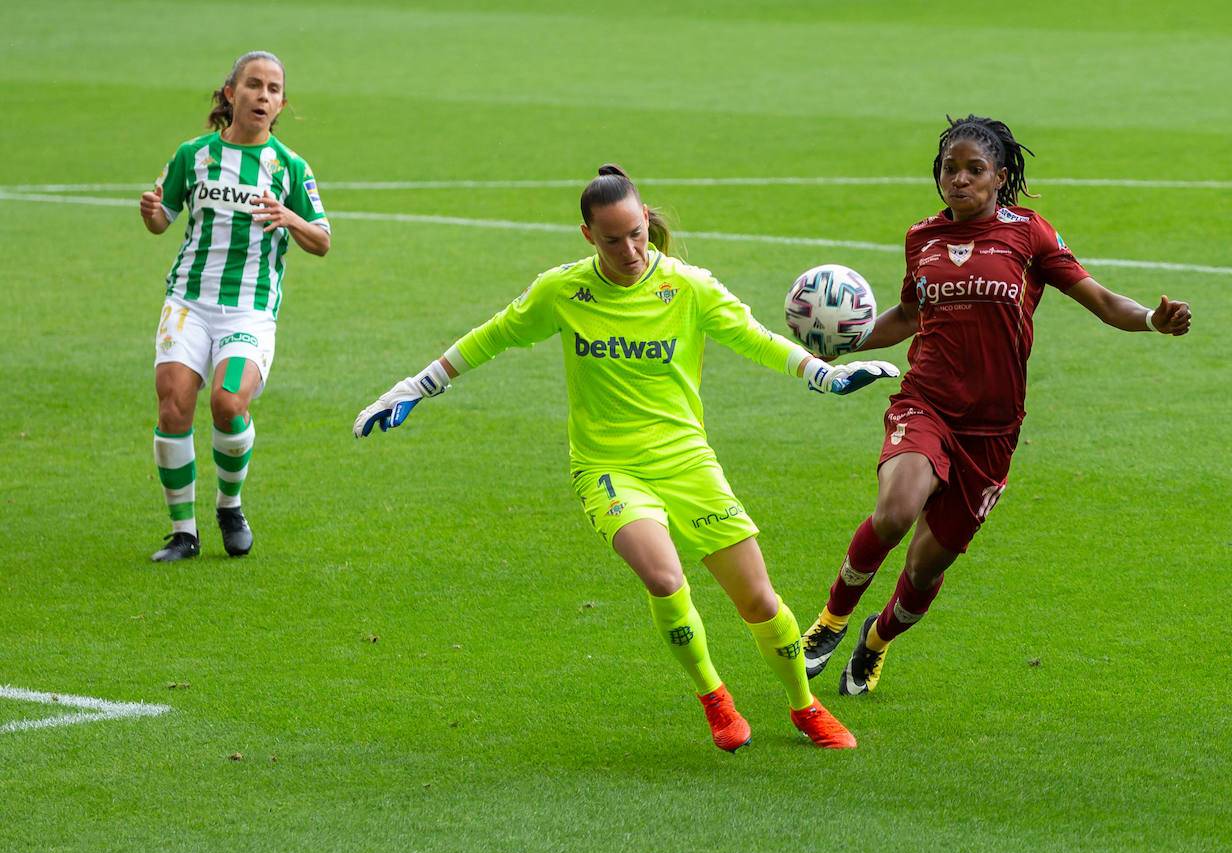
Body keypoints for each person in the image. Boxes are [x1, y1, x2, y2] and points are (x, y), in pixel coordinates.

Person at [354, 165, 899, 750]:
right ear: (588, 236)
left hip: (687, 463)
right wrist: (417, 385)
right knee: (664, 578)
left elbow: (755, 337)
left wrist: (826, 376)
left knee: (759, 600)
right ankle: (716, 700)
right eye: (612, 240)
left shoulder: (687, 287)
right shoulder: (561, 291)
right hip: (608, 468)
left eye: (637, 233)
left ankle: (803, 707)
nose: (630, 250)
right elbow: (492, 335)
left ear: (647, 222)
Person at [800, 115, 1191, 696]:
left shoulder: (1029, 234)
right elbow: (910, 317)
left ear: (999, 176)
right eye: (949, 169)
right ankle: (830, 622)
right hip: (927, 402)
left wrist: (1152, 321)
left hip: (993, 430)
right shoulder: (921, 238)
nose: (959, 180)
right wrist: (845, 339)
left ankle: (876, 641)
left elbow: (1104, 301)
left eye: (973, 170)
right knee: (896, 511)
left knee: (925, 568)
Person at [139, 50, 330, 562]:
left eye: (272, 89)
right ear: (230, 94)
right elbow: (163, 220)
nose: (262, 96)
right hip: (189, 302)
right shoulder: (193, 155)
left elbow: (323, 241)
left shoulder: (290, 167)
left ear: (281, 103)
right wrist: (153, 213)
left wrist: (291, 217)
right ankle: (183, 532)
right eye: (253, 85)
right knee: (173, 402)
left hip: (249, 309)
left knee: (228, 402)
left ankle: (230, 506)